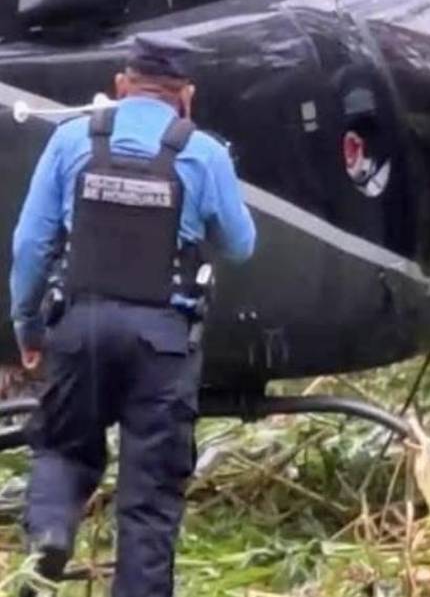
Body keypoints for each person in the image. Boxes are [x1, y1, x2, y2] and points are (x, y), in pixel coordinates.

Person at [10, 33, 257, 596]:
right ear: (185, 96)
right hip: (161, 344)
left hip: (79, 329)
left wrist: (27, 327)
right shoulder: (203, 152)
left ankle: (49, 533)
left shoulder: (73, 139)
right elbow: (241, 245)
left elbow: (30, 246)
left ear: (121, 86)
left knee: (63, 446)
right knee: (149, 498)